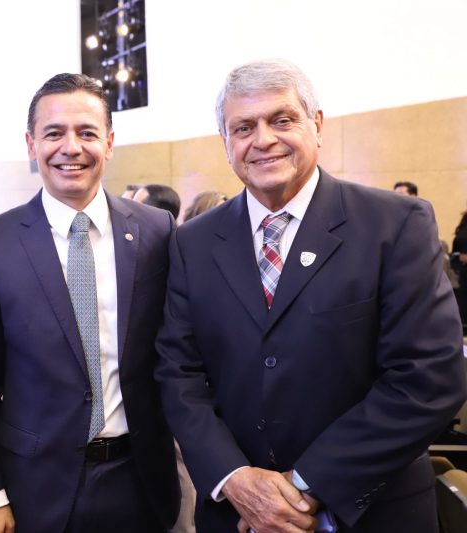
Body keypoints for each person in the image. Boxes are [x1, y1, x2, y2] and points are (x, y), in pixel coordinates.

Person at [155, 59, 466, 533]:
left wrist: (302, 487)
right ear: (226, 142)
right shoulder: (191, 243)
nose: (263, 140)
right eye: (243, 127)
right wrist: (234, 479)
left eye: (282, 120)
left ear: (317, 124)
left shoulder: (396, 225)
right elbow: (179, 374)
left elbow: (428, 378)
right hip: (236, 515)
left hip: (373, 513)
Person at [0, 73, 180, 533]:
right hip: (34, 487)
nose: (71, 147)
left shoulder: (156, 231)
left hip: (141, 480)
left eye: (87, 133)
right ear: (31, 144)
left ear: (110, 142)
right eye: (54, 133)